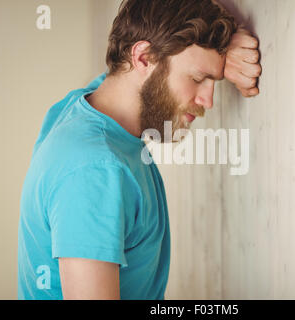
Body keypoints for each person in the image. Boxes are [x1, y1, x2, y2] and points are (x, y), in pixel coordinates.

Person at [17, 0, 262, 300]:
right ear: (143, 57)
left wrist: (229, 35)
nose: (208, 100)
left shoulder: (83, 108)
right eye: (198, 79)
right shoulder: (94, 171)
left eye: (213, 81)